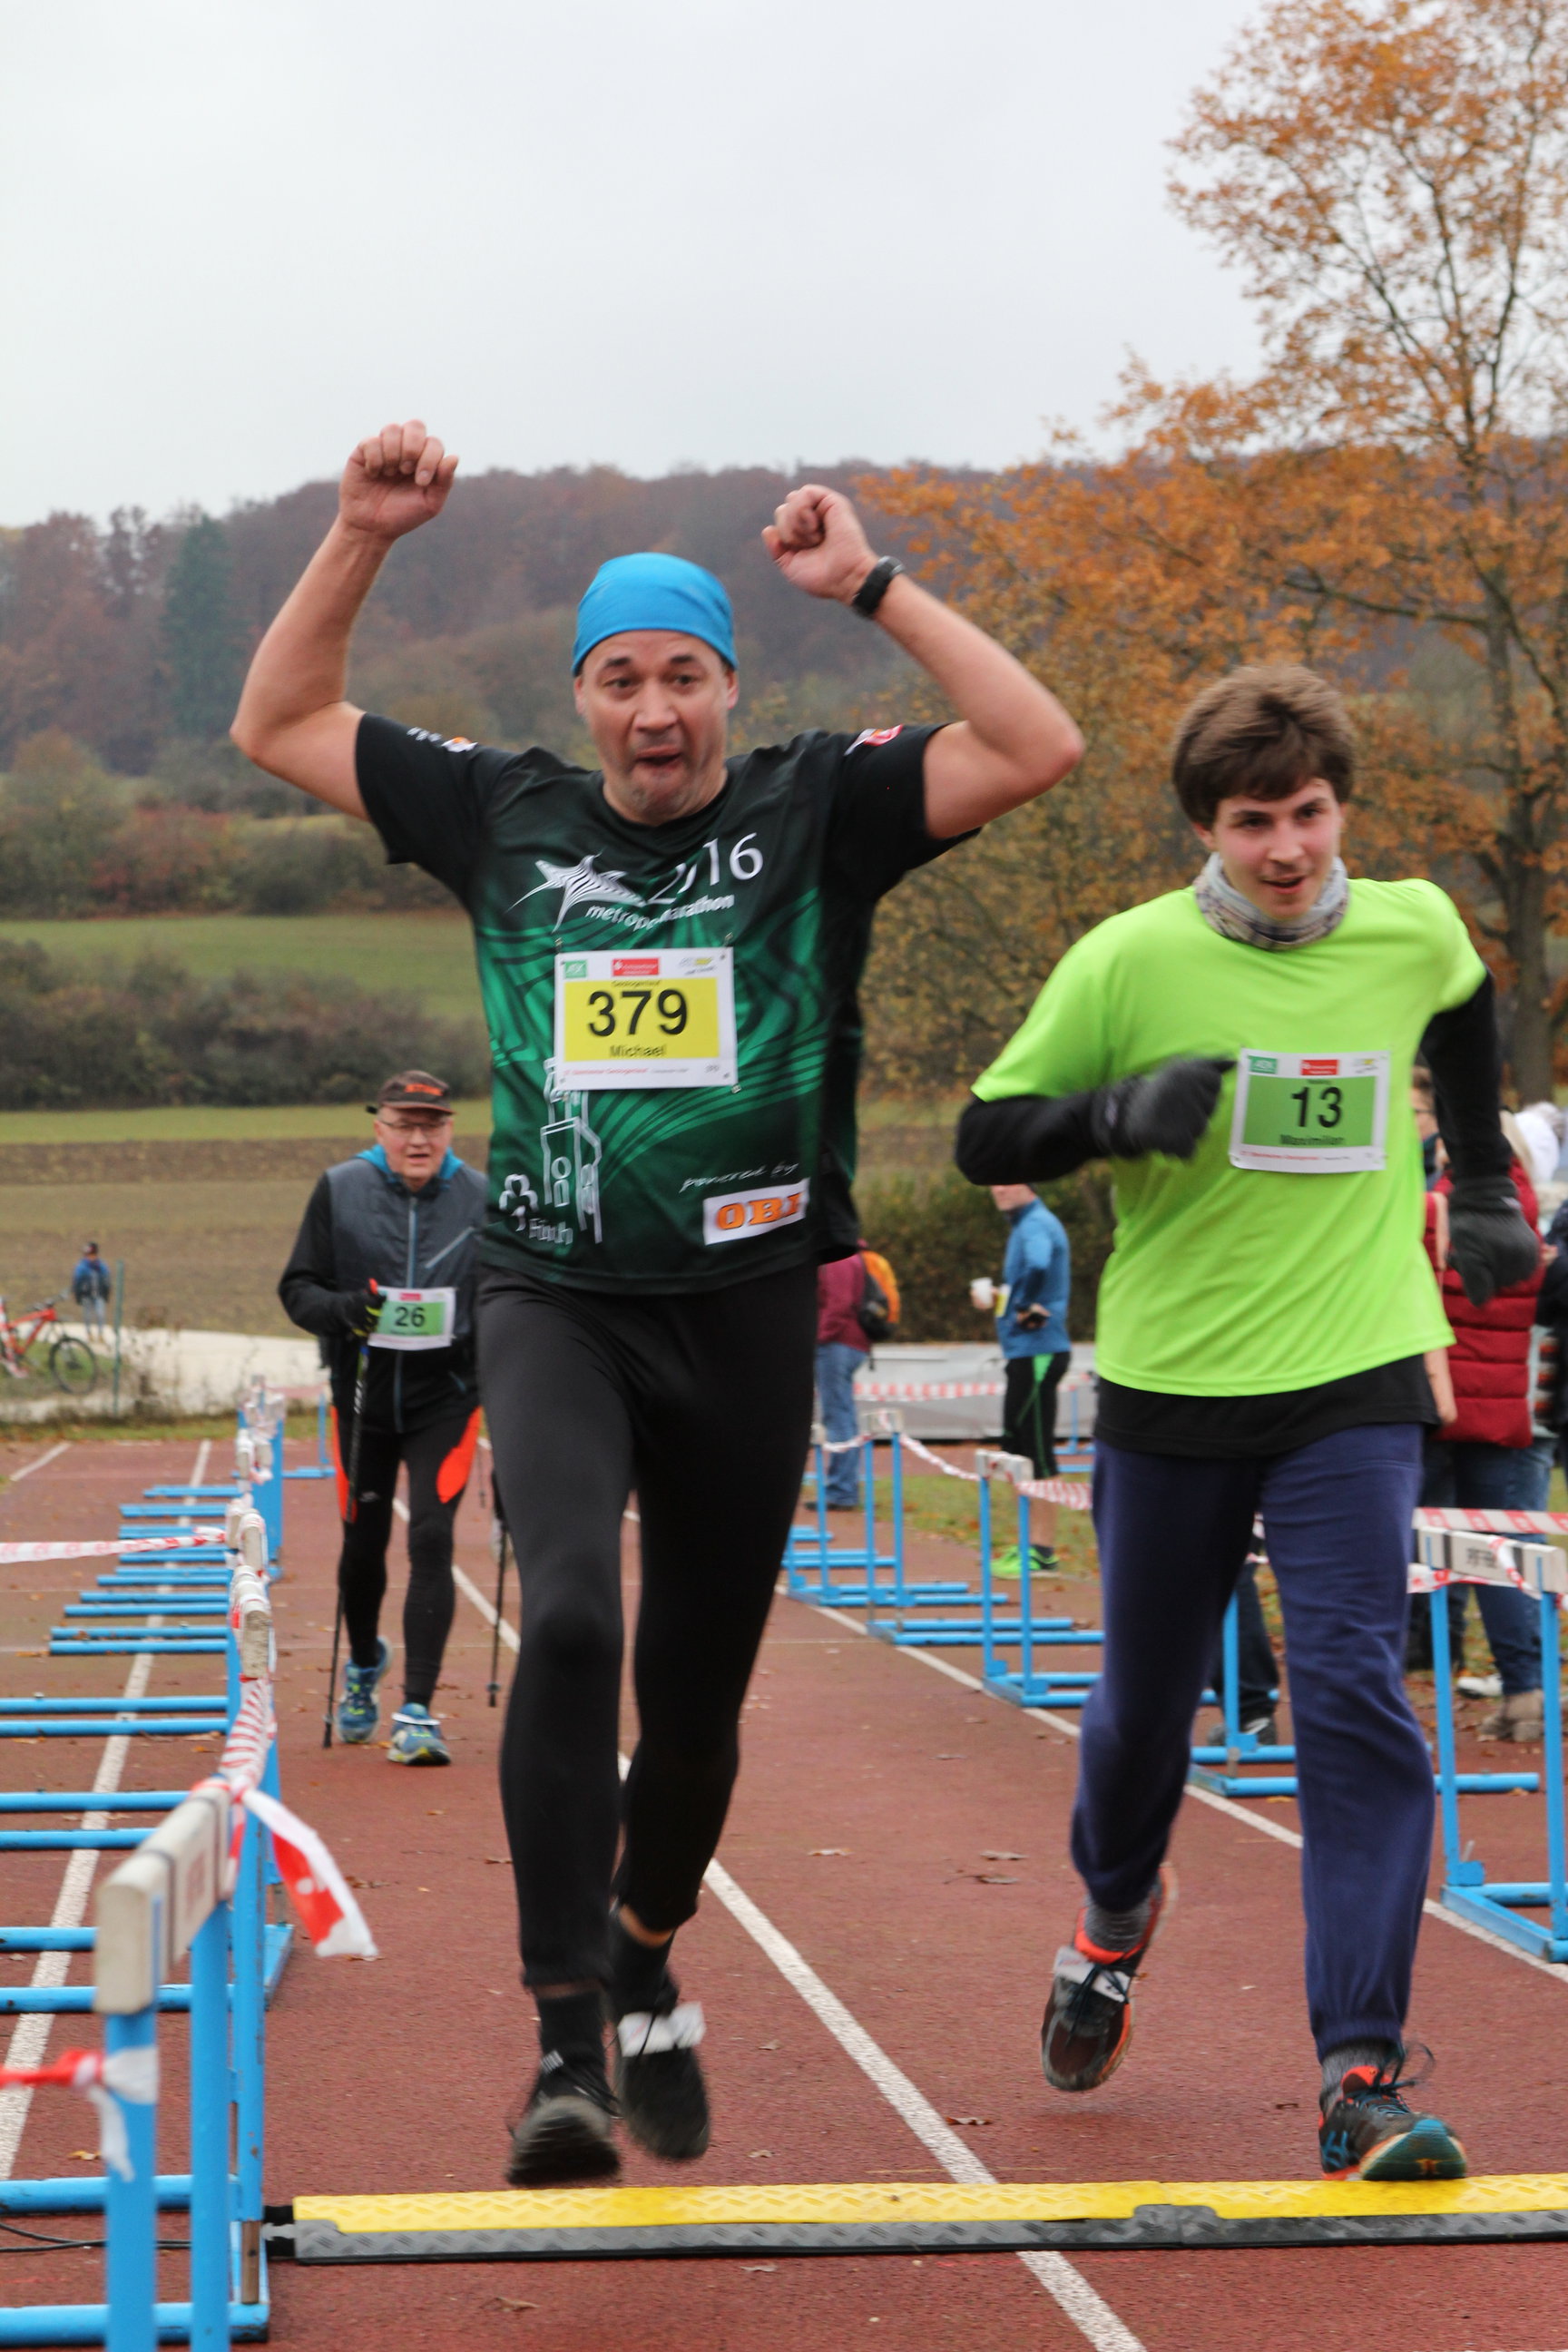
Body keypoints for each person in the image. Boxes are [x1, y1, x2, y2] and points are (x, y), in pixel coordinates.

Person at [231, 419, 1083, 2187]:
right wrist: (360, 534)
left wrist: (874, 585)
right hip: (557, 1294)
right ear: (582, 694)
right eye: (619, 679)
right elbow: (279, 721)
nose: (652, 713)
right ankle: (563, 2043)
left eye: (682, 677)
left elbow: (1035, 743)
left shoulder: (816, 807)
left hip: (752, 1304)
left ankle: (637, 1956)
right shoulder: (501, 809)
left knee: (694, 1716)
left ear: (726, 687)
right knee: (567, 1620)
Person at [956, 662, 1537, 2182]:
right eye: (1251, 823)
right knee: (1144, 1710)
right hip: (1173, 1386)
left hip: (1354, 1372)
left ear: (1341, 809)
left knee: (1353, 1694)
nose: (1285, 850)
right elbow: (982, 1133)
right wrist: (1108, 1115)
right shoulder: (1126, 961)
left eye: (1308, 815)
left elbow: (1465, 1008)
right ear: (1204, 829)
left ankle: (1361, 2072)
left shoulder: (1409, 926)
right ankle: (1111, 1918)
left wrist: (1481, 1180)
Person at [279, 1070, 485, 1767]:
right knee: (363, 1549)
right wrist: (346, 1312)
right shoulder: (340, 1188)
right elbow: (297, 1290)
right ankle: (365, 1661)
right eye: (404, 1126)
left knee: (432, 1538)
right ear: (380, 1129)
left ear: (449, 1130)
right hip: (363, 1398)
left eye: (431, 1126)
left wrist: (485, 1348)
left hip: (446, 1400)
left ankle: (418, 1710)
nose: (418, 1139)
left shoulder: (481, 1197)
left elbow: (510, 1293)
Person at [1416, 1117, 1547, 1740]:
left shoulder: (1437, 1207)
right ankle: (1525, 1692)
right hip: (1498, 1408)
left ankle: (1397, 1687)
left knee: (1405, 1549)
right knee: (1494, 1555)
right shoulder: (1526, 1215)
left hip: (1434, 1401)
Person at [986, 1181, 1071, 1572]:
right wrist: (1001, 1302)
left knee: (1036, 1452)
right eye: (995, 1182)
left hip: (1039, 1352)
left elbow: (1038, 1264)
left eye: (1009, 1181)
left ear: (1030, 1183)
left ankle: (1042, 1551)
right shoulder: (1024, 1224)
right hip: (1025, 1353)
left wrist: (1023, 1304)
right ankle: (1028, 1546)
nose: (999, 1189)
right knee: (1017, 1450)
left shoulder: (1035, 1224)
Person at [816, 1253, 869, 1510]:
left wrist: (819, 1336)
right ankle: (844, 1487)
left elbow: (840, 1303)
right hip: (848, 1342)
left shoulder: (838, 1258)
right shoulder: (851, 1256)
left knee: (837, 1417)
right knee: (844, 1416)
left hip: (837, 1344)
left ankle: (841, 1491)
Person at [71, 1242, 112, 1337]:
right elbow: (77, 1281)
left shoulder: (101, 1266)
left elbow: (107, 1280)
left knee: (100, 1314)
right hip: (86, 1295)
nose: (90, 1257)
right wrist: (78, 1294)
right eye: (88, 1255)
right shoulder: (81, 1266)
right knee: (87, 1316)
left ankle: (100, 1333)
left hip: (99, 1295)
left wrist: (106, 1293)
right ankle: (89, 1333)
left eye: (92, 1254)